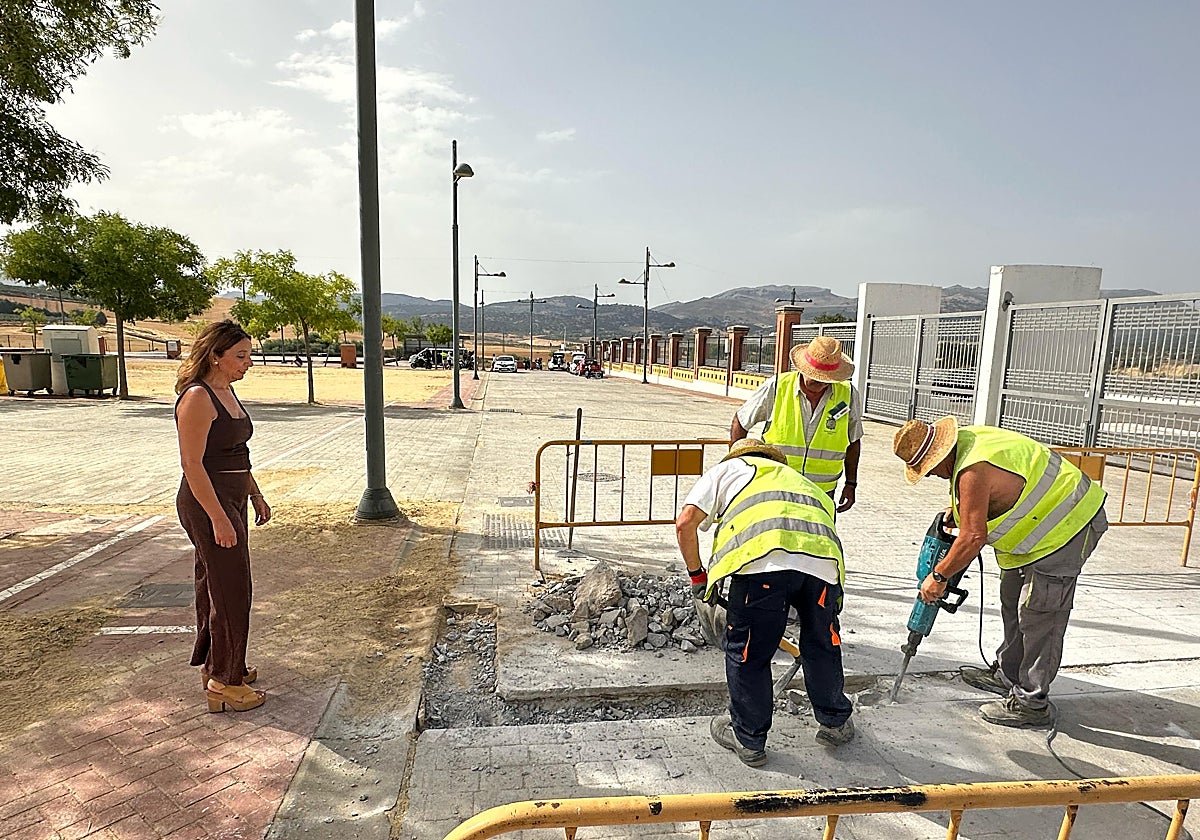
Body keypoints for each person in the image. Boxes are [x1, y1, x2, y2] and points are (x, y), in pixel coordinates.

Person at [893, 417, 1108, 728]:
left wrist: (938, 577)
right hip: (1037, 532)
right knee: (1011, 599)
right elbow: (994, 498)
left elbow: (973, 537)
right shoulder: (967, 446)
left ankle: (1031, 703)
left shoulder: (971, 470)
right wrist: (959, 511)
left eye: (930, 469)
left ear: (941, 456)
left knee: (1039, 614)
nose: (932, 477)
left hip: (1069, 523)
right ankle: (1008, 675)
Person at [675, 438, 854, 767]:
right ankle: (836, 722)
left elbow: (685, 522)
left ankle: (748, 738)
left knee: (749, 652)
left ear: (739, 456)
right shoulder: (800, 480)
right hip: (823, 568)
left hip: (762, 567)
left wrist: (698, 577)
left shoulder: (727, 470)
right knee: (821, 644)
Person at [175, 320, 272, 713]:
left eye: (249, 355)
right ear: (215, 356)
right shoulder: (198, 397)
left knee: (215, 585)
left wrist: (255, 493)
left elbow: (237, 454)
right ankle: (223, 682)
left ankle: (220, 664)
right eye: (240, 356)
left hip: (231, 498)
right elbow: (192, 465)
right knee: (232, 590)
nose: (247, 363)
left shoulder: (226, 391)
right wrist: (218, 517)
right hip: (206, 502)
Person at [731, 335, 862, 513]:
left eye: (827, 378)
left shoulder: (848, 394)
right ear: (803, 369)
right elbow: (741, 421)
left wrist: (851, 483)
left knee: (819, 541)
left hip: (822, 494)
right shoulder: (777, 386)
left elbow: (854, 441)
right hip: (776, 488)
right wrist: (738, 468)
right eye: (816, 376)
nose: (821, 382)